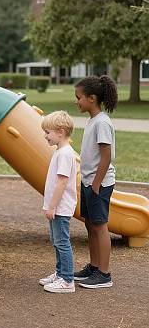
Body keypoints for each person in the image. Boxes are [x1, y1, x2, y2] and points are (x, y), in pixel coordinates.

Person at [73, 75, 118, 289]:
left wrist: (96, 184)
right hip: (90, 181)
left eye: (79, 97)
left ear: (92, 98)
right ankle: (93, 266)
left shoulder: (102, 122)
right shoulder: (93, 120)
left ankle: (104, 273)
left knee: (100, 226)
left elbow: (106, 156)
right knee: (90, 224)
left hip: (98, 183)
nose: (77, 101)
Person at [39, 111, 78, 294]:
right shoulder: (60, 151)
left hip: (60, 208)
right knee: (57, 241)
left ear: (60, 132)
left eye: (47, 132)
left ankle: (67, 280)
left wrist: (52, 206)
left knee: (62, 242)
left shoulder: (64, 154)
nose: (45, 135)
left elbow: (62, 182)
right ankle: (60, 273)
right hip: (57, 207)